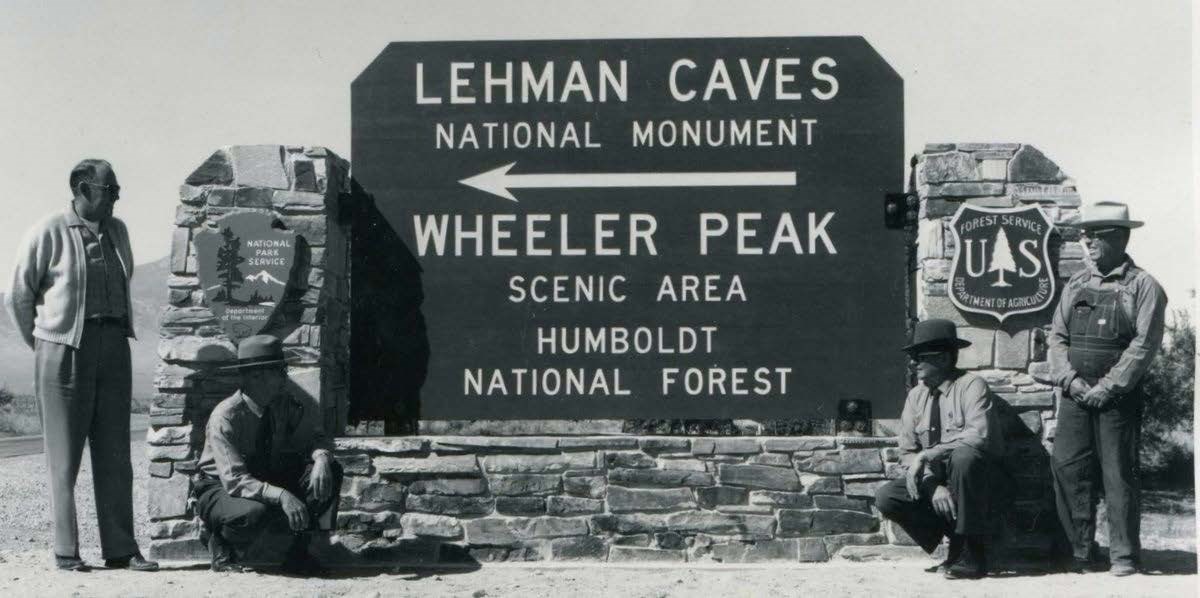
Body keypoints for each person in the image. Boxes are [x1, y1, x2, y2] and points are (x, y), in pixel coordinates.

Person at [4, 159, 157, 572]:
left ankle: (121, 550)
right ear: (81, 188)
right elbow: (19, 296)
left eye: (117, 190)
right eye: (110, 190)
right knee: (64, 457)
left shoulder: (118, 231)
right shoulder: (47, 231)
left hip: (114, 345)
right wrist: (41, 346)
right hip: (62, 348)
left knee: (115, 454)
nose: (116, 197)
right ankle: (67, 552)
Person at [1049, 201, 1167, 577]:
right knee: (1067, 468)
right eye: (1085, 234)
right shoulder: (1077, 284)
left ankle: (1124, 556)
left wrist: (1108, 387)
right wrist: (1070, 379)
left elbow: (1144, 345)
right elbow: (1057, 337)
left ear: (1118, 237)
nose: (1086, 242)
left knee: (1119, 473)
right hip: (1075, 395)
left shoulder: (1144, 286)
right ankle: (1081, 552)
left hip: (1118, 399)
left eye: (1094, 235)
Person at [193, 334, 342, 574]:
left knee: (331, 471)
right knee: (253, 513)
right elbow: (234, 480)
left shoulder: (283, 404)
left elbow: (314, 437)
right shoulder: (226, 417)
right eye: (279, 370)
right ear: (255, 376)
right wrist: (282, 495)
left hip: (264, 475)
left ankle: (298, 554)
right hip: (219, 487)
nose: (285, 377)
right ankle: (220, 540)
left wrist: (322, 457)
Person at [874, 319, 1002, 580]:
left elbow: (979, 435)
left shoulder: (971, 385)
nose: (913, 363)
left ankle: (972, 552)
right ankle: (957, 542)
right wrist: (933, 485)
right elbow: (907, 451)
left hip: (978, 482)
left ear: (943, 358)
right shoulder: (916, 396)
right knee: (888, 496)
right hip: (939, 480)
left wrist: (929, 454)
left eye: (919, 356)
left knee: (964, 456)